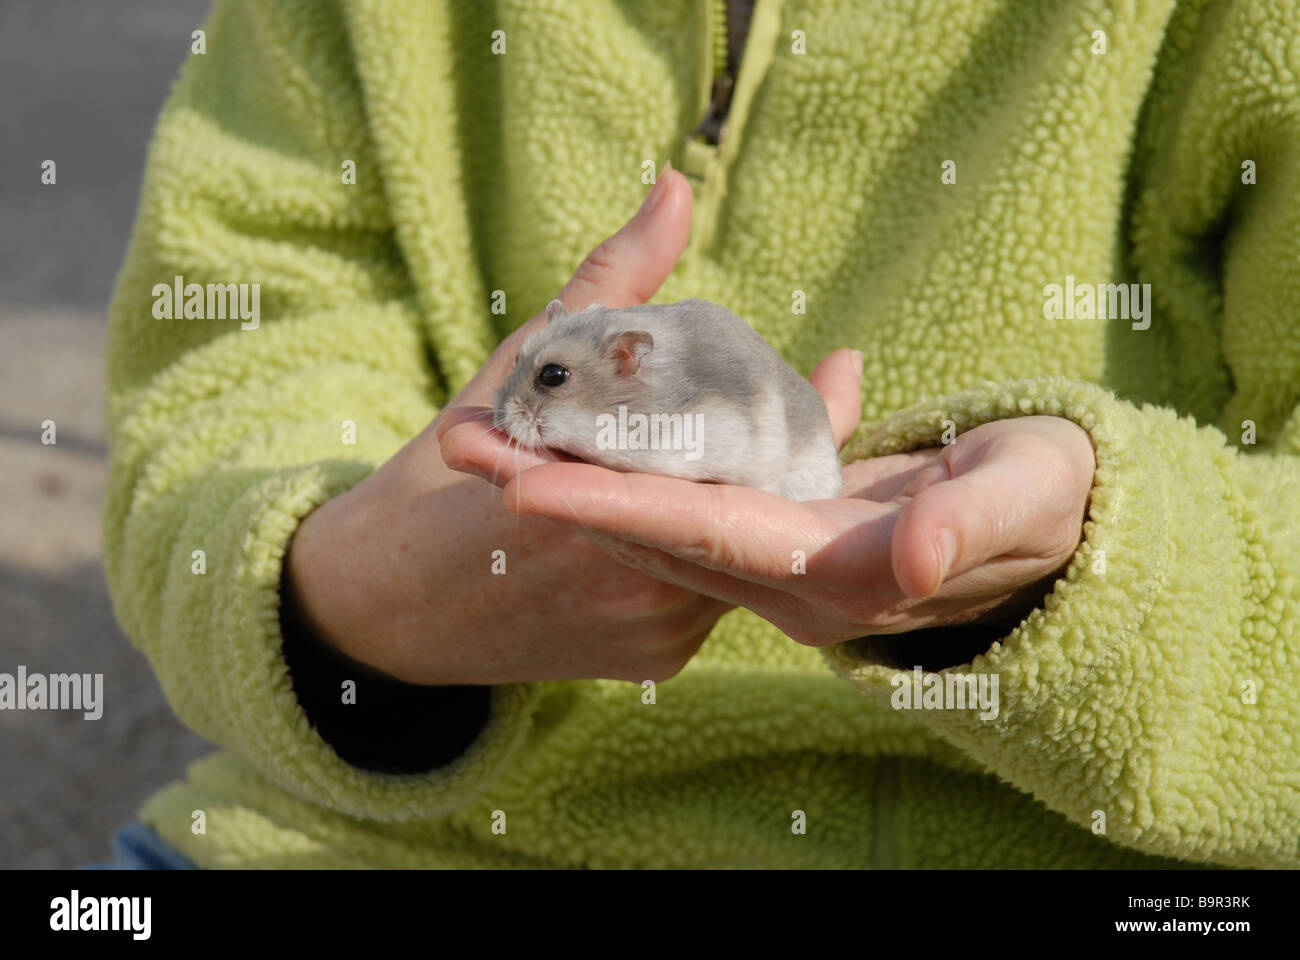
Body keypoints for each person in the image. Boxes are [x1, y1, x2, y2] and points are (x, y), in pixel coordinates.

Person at [102, 0, 1300, 868]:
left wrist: (1094, 577)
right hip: (367, 843)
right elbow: (242, 331)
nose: (519, 417)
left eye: (549, 387)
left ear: (627, 369)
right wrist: (351, 598)